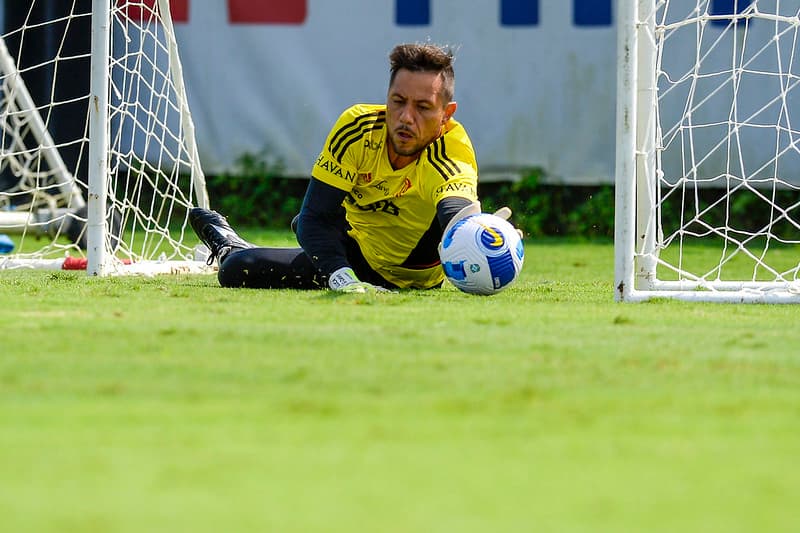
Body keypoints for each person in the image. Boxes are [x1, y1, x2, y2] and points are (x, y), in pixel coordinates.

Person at [190, 42, 512, 292]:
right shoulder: (357, 128)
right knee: (240, 266)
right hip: (355, 253)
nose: (406, 117)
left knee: (290, 236)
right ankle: (230, 246)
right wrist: (342, 278)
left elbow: (454, 212)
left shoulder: (452, 150)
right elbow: (316, 218)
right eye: (398, 101)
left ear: (446, 114)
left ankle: (250, 247)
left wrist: (480, 232)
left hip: (411, 274)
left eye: (423, 107)